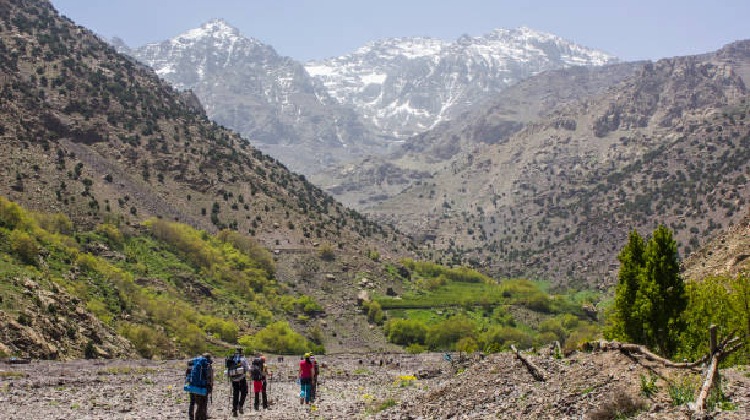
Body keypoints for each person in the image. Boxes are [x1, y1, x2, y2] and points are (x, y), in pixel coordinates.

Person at [187, 353, 213, 420]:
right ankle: (202, 417)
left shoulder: (195, 362)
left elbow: (188, 372)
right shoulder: (207, 365)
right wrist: (210, 386)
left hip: (192, 384)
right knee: (202, 404)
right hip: (201, 386)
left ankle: (191, 416)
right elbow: (209, 377)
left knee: (192, 401)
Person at [227, 348, 249, 417]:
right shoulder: (243, 359)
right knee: (244, 392)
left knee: (235, 394)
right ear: (241, 351)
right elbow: (247, 368)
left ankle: (234, 410)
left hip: (234, 379)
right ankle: (241, 405)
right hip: (242, 378)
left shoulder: (231, 358)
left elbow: (228, 368)